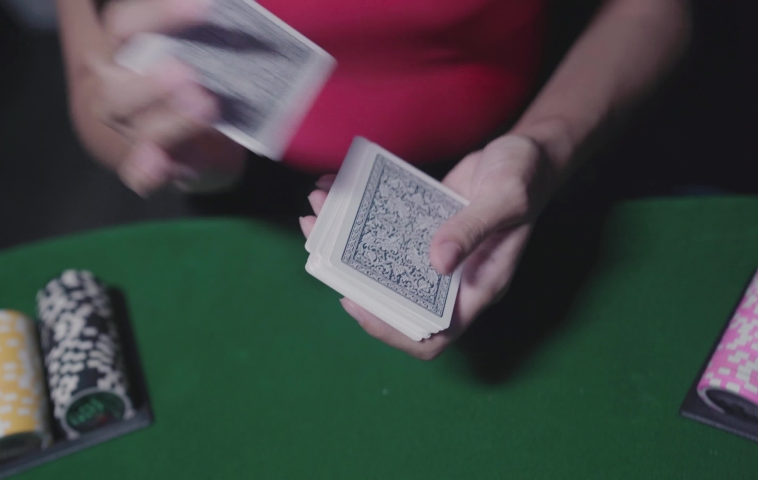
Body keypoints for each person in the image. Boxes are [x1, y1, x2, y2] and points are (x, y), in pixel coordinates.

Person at [55, 0, 692, 359]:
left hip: (530, 139)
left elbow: (651, 9)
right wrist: (172, 146)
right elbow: (93, 81)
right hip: (250, 192)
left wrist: (547, 146)